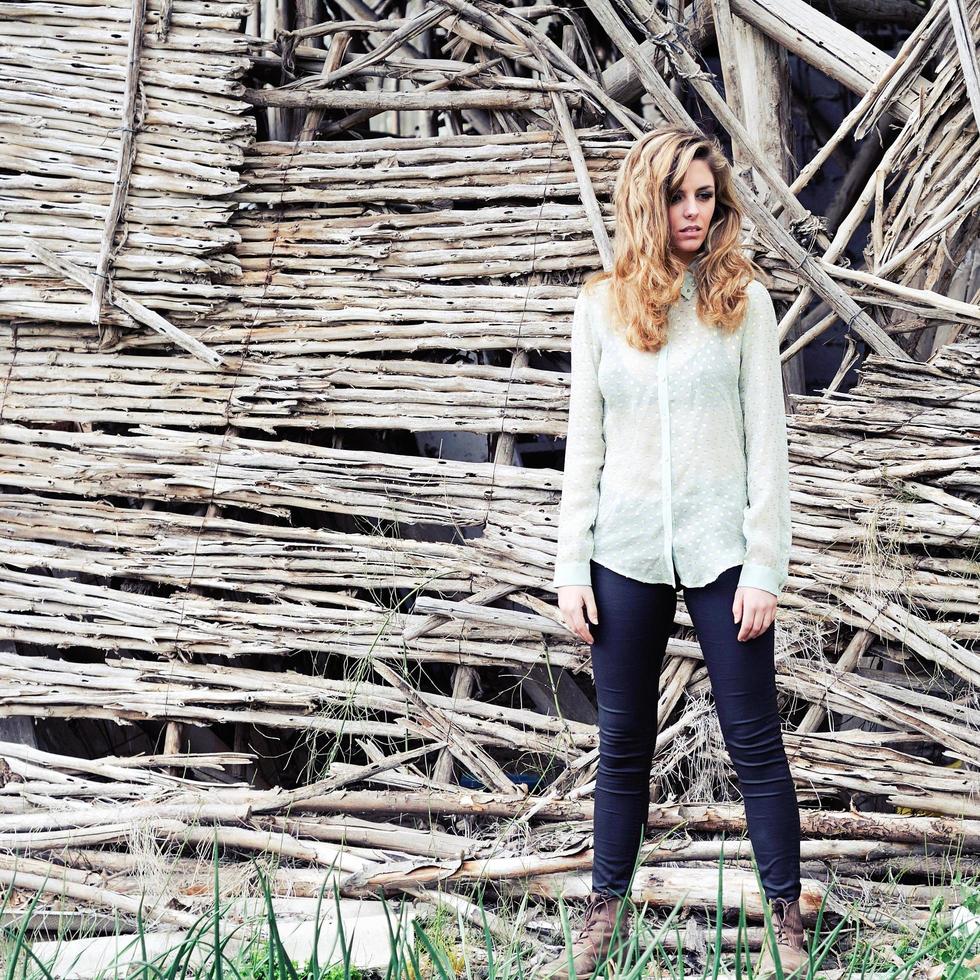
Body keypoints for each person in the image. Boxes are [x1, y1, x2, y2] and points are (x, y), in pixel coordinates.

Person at [540, 125, 807, 979]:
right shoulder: (600, 307)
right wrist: (570, 566)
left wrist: (764, 565)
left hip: (721, 550)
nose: (693, 212)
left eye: (705, 195)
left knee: (753, 739)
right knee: (621, 743)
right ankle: (603, 912)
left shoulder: (744, 303)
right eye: (676, 196)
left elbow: (768, 448)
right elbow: (586, 443)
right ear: (645, 202)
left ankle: (786, 917)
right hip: (621, 553)